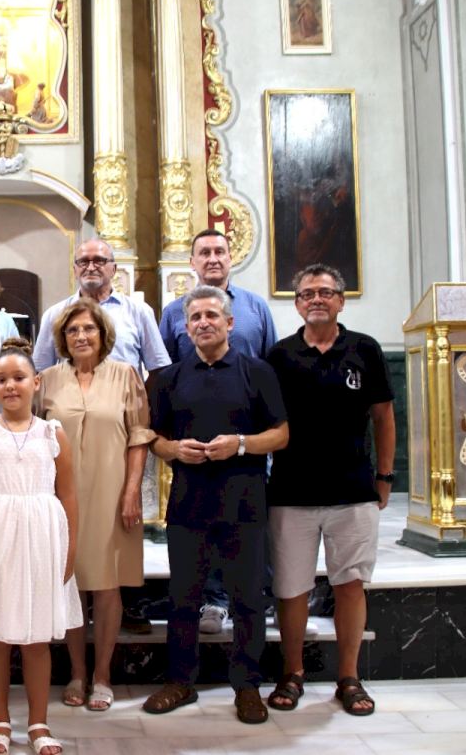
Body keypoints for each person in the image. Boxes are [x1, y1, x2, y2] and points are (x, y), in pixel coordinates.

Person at [142, 286, 288, 725]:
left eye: (211, 315)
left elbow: (280, 434)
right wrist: (172, 450)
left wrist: (240, 444)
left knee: (247, 598)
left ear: (229, 323)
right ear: (186, 329)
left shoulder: (257, 371)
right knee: (183, 597)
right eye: (195, 317)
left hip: (245, 502)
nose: (203, 322)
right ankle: (180, 681)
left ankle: (247, 685)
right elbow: (153, 437)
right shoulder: (169, 378)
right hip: (189, 503)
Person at [265, 263, 395, 717]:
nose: (316, 299)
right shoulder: (279, 355)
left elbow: (383, 416)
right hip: (291, 491)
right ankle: (293, 672)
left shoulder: (365, 349)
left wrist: (385, 477)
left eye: (325, 292)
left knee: (351, 584)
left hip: (352, 490)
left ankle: (349, 677)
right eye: (307, 293)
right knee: (291, 588)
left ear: (341, 300)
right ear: (297, 304)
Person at [0, 338, 82, 755]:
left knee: (37, 638)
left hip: (41, 541)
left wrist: (70, 549)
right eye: (1, 379)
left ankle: (39, 724)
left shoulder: (52, 433)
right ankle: (0, 721)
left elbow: (68, 495)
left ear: (36, 382)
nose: (10, 386)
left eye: (19, 378)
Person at [158, 228, 277, 634]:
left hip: (248, 440)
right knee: (197, 532)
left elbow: (270, 363)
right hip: (196, 440)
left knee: (250, 526)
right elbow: (165, 370)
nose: (212, 258)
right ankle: (213, 599)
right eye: (204, 252)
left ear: (231, 257)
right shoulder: (174, 312)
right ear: (192, 262)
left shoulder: (256, 307)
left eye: (219, 251)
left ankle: (257, 597)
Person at [37, 298, 153, 712]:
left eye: (89, 329)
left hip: (112, 491)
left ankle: (102, 674)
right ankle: (77, 672)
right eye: (72, 330)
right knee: (69, 582)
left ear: (103, 335)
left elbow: (139, 436)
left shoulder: (125, 375)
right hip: (59, 495)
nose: (81, 336)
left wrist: (132, 490)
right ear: (62, 339)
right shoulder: (47, 380)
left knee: (106, 584)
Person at [33, 239, 170, 375]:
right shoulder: (55, 314)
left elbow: (158, 368)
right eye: (83, 262)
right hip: (71, 389)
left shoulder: (139, 311)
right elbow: (41, 371)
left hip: (124, 389)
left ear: (113, 269)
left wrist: (136, 389)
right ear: (75, 270)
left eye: (99, 261)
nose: (90, 268)